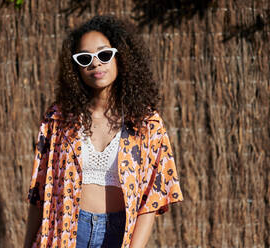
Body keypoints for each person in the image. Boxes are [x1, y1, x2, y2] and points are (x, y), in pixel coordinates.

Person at [23, 15, 183, 248]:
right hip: (66, 231)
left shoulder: (146, 123)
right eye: (85, 58)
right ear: (75, 67)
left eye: (104, 55)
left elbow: (152, 200)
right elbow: (40, 193)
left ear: (121, 58)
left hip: (118, 234)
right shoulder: (58, 119)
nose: (96, 63)